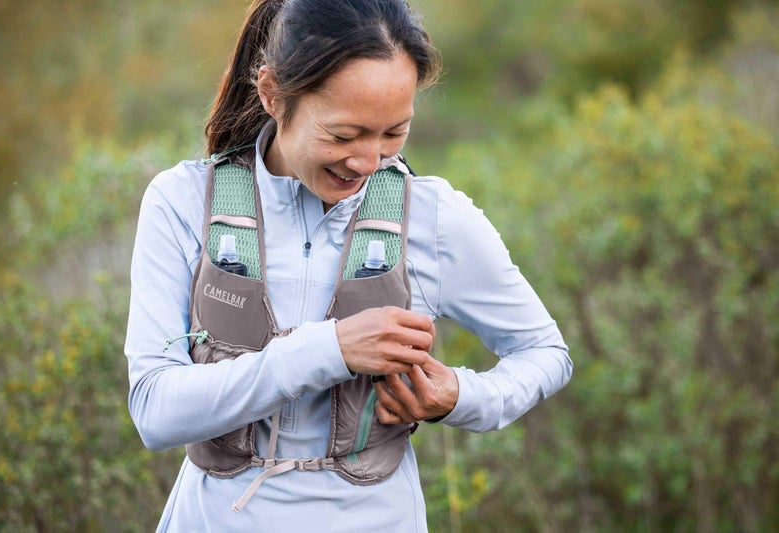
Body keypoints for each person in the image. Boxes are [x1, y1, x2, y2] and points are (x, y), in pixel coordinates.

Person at [124, 0, 572, 531]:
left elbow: (545, 353)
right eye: (343, 135)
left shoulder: (433, 216)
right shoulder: (182, 201)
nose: (367, 162)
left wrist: (461, 396)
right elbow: (155, 411)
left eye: (393, 133)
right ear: (272, 94)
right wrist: (330, 349)